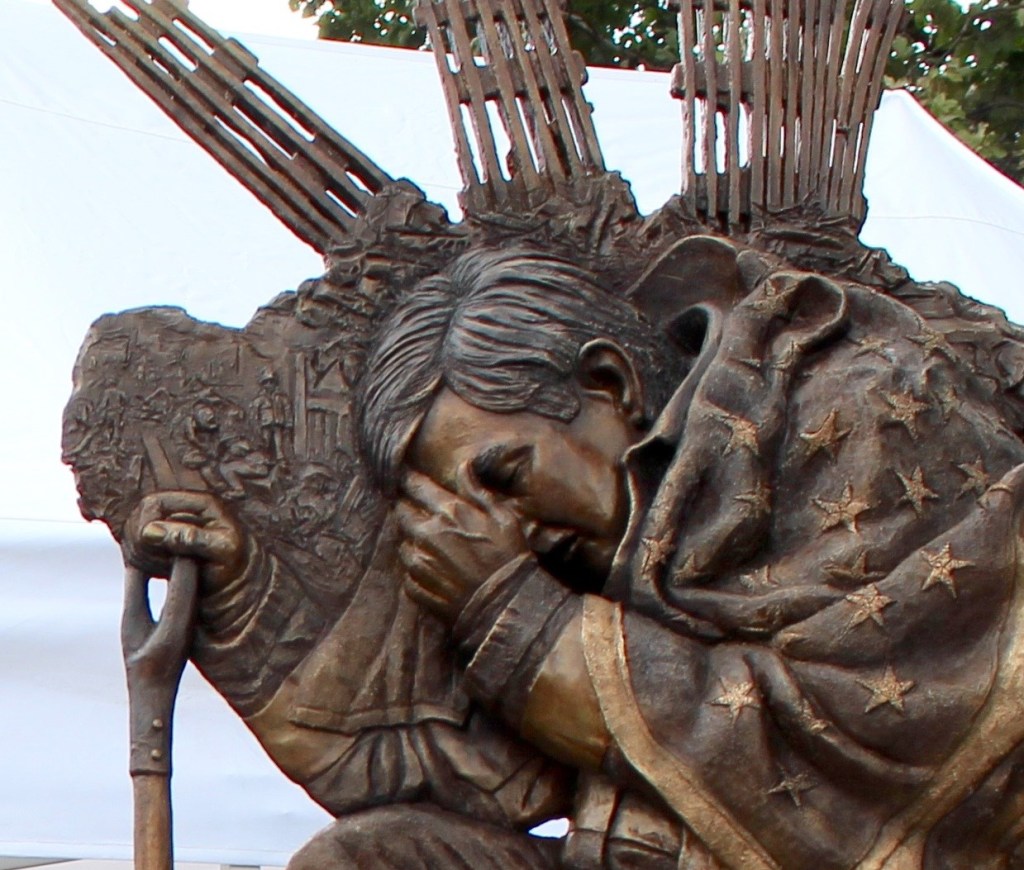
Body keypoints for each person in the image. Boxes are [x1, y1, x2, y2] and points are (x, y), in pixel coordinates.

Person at [129, 242, 1024, 867]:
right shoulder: (593, 543)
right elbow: (487, 778)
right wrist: (240, 597)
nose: (502, 528)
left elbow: (907, 738)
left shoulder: (855, 413)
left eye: (507, 473)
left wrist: (520, 620)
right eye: (466, 505)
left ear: (611, 386)